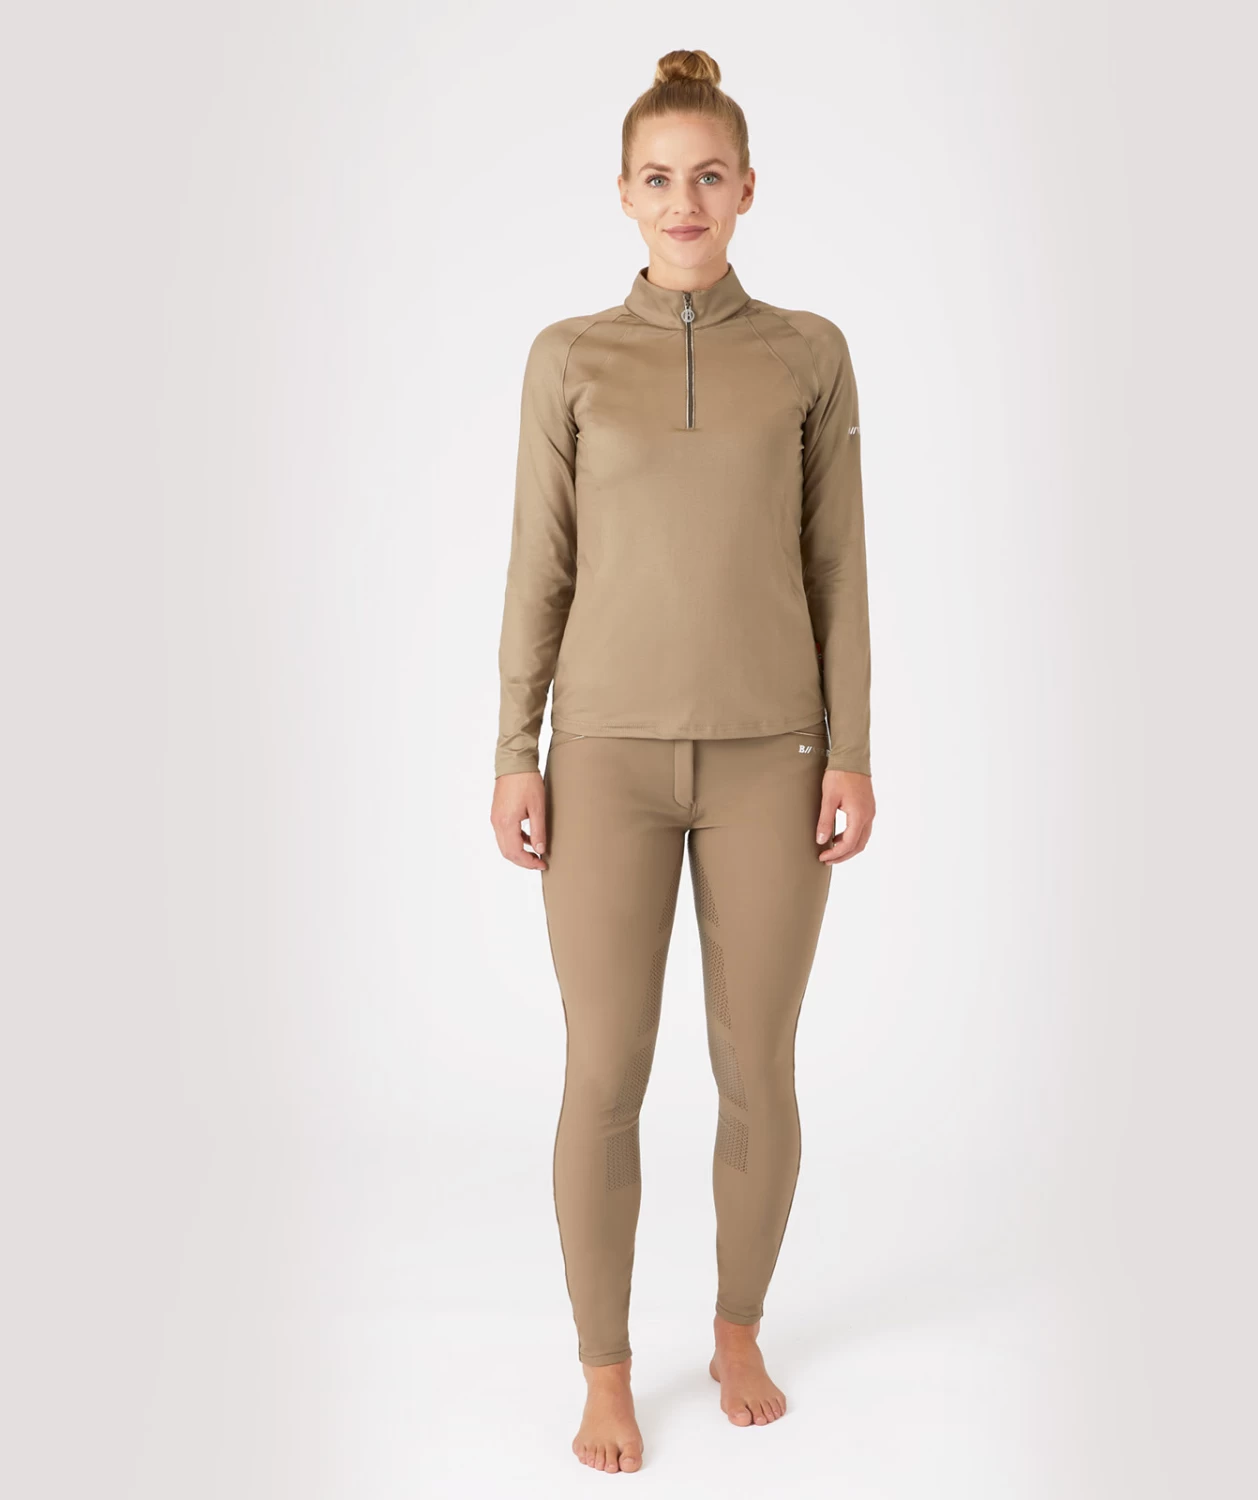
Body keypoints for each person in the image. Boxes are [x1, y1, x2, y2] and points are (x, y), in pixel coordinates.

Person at [488, 48, 876, 1474]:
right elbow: (539, 566)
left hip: (775, 754)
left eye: (710, 174)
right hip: (603, 759)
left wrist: (851, 750)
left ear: (748, 189)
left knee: (757, 1065)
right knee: (604, 1070)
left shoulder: (808, 355)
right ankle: (605, 1369)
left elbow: (838, 567)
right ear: (624, 194)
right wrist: (515, 749)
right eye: (659, 177)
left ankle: (736, 1328)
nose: (685, 199)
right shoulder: (570, 358)